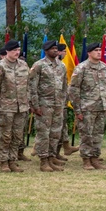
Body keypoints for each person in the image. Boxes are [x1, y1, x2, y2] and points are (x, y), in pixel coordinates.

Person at [0, 40, 30, 172]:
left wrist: (28, 101)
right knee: (5, 136)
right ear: (7, 51)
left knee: (17, 136)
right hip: (5, 107)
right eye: (13, 51)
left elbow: (28, 85)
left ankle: (13, 161)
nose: (17, 53)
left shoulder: (23, 65)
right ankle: (3, 162)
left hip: (21, 106)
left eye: (18, 50)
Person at [68, 43, 106, 170]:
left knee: (98, 135)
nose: (99, 52)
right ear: (89, 53)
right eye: (96, 50)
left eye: (100, 50)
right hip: (86, 107)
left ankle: (95, 158)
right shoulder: (82, 68)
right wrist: (77, 109)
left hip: (101, 107)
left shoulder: (104, 67)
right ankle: (86, 160)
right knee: (86, 134)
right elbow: (74, 89)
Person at [28, 40, 67, 172]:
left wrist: (63, 101)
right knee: (43, 133)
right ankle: (43, 161)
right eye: (53, 49)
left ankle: (51, 157)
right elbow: (32, 87)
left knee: (55, 133)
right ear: (46, 50)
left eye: (56, 48)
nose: (56, 50)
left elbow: (64, 86)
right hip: (44, 104)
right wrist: (35, 105)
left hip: (57, 105)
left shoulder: (61, 66)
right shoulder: (39, 65)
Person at [56, 44, 80, 159]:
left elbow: (64, 84)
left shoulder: (61, 66)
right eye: (64, 51)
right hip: (49, 102)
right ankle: (43, 151)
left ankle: (64, 148)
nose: (65, 53)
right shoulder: (43, 65)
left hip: (62, 101)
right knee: (52, 128)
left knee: (62, 126)